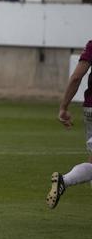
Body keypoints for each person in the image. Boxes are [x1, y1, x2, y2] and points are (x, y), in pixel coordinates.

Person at [46, 40, 92, 209]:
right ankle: (64, 180)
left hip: (90, 109)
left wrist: (63, 107)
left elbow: (76, 77)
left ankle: (64, 181)